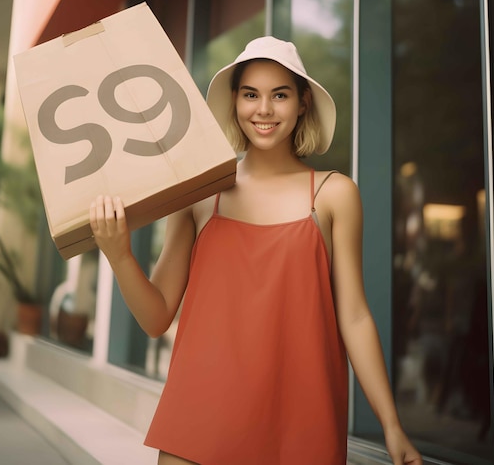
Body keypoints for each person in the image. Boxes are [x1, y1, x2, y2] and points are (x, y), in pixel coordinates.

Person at [90, 37, 422, 464]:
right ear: (235, 102)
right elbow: (156, 318)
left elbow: (354, 317)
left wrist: (391, 426)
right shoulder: (198, 193)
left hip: (300, 428)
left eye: (279, 95)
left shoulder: (334, 194)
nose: (263, 109)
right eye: (251, 94)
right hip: (197, 423)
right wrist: (120, 256)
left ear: (302, 103)